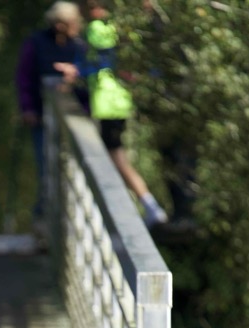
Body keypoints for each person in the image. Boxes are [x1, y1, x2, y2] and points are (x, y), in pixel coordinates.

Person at [63, 0, 169, 227]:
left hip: (109, 103)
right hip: (117, 101)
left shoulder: (98, 28)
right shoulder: (121, 28)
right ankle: (140, 207)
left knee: (114, 156)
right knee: (112, 155)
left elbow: (103, 60)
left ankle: (148, 205)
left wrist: (77, 71)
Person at [14, 1, 85, 221]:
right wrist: (27, 107)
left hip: (76, 119)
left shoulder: (80, 45)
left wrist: (76, 76)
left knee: (74, 170)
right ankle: (44, 218)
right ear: (60, 24)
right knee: (47, 167)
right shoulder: (36, 43)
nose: (77, 25)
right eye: (73, 22)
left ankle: (68, 219)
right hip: (42, 116)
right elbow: (24, 77)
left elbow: (90, 75)